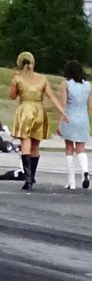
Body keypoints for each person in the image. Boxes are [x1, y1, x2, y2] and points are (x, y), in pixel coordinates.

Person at [7, 51, 67, 191]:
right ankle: (32, 175)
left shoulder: (18, 78)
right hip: (39, 111)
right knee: (35, 147)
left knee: (25, 145)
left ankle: (28, 179)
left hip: (25, 110)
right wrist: (62, 112)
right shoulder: (42, 78)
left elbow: (12, 96)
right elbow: (51, 96)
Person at [57, 60, 92, 190]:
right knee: (81, 149)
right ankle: (85, 172)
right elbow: (90, 106)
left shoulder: (66, 84)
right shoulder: (88, 85)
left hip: (70, 118)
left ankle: (71, 181)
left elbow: (63, 105)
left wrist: (59, 123)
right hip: (83, 119)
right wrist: (88, 121)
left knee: (69, 148)